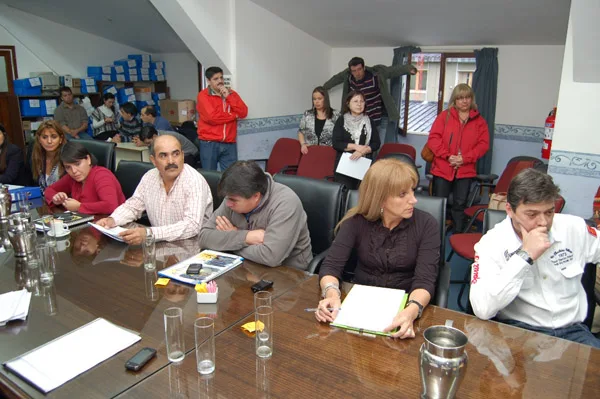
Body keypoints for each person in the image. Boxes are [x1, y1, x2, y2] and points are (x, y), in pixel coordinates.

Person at [469, 168, 600, 348]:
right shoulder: (492, 243)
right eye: (532, 214)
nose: (543, 223)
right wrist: (524, 256)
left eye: (549, 212)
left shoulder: (574, 227)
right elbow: (482, 308)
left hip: (573, 333)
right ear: (510, 209)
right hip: (519, 333)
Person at [315, 159, 440, 339]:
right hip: (359, 309)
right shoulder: (356, 222)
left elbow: (425, 280)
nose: (413, 200)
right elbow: (331, 266)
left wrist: (411, 311)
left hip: (406, 307)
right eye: (403, 194)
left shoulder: (426, 225)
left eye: (412, 191)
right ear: (380, 198)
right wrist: (332, 294)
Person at [95, 135, 213, 244]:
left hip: (191, 247)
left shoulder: (194, 180)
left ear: (183, 155)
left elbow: (192, 226)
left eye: (176, 154)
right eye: (163, 156)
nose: (171, 161)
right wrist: (112, 220)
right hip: (159, 246)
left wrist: (150, 234)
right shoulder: (149, 177)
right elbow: (133, 206)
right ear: (153, 160)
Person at [199, 161, 312, 270]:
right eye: (227, 198)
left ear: (256, 196)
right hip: (244, 266)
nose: (228, 204)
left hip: (290, 273)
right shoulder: (232, 196)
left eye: (233, 200)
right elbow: (204, 238)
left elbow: (271, 256)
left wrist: (230, 241)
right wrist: (246, 237)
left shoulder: (286, 203)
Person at [426, 83, 489, 232]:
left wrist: (464, 158)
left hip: (465, 169)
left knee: (460, 204)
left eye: (467, 97)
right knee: (439, 203)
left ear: (471, 99)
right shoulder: (444, 116)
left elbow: (483, 145)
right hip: (443, 167)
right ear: (455, 100)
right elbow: (433, 139)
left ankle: (457, 234)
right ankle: (435, 233)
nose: (464, 101)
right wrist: (448, 156)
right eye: (460, 98)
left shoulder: (480, 121)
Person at [323, 56, 416, 143]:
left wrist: (409, 69)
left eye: (359, 69)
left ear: (364, 68)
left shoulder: (376, 74)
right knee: (361, 145)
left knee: (377, 145)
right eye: (354, 71)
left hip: (378, 118)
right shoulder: (348, 76)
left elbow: (392, 71)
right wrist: (323, 88)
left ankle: (376, 160)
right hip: (359, 120)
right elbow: (336, 79)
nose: (357, 73)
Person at [44, 141, 126, 214]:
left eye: (77, 164)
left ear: (88, 159)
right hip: (88, 224)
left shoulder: (102, 176)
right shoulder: (71, 177)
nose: (74, 171)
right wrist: (55, 198)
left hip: (113, 226)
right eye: (68, 167)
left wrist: (79, 207)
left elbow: (110, 206)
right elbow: (49, 190)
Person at [196, 66, 248, 171]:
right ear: (208, 81)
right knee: (210, 176)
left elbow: (243, 112)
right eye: (216, 79)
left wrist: (229, 97)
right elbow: (212, 118)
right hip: (209, 143)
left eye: (221, 78)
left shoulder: (232, 94)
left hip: (229, 143)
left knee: (231, 176)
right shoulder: (203, 96)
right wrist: (234, 115)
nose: (220, 81)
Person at [332, 90, 381, 190]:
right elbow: (336, 143)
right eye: (355, 101)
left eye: (362, 101)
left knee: (361, 196)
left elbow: (376, 143)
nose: (359, 104)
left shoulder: (369, 121)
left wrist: (362, 151)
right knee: (344, 197)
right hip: (345, 166)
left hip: (364, 165)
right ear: (348, 103)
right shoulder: (341, 120)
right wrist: (356, 147)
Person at [298, 86, 340, 153]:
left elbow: (340, 135)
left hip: (328, 153)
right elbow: (301, 132)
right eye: (314, 99)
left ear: (325, 99)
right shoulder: (307, 114)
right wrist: (303, 144)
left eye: (319, 98)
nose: (316, 101)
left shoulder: (336, 115)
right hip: (310, 152)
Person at [30, 120, 67, 190]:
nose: (49, 141)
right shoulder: (35, 156)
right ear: (39, 139)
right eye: (44, 137)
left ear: (60, 139)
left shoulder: (68, 157)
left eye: (54, 137)